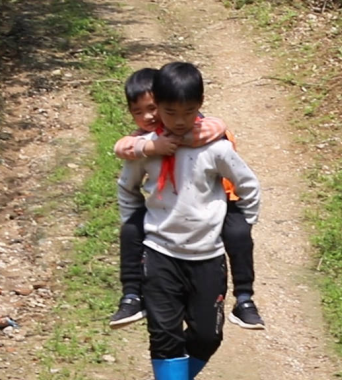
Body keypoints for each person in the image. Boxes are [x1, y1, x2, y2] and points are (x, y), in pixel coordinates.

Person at [117, 62, 260, 380]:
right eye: (169, 112)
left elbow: (247, 183)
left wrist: (243, 222)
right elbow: (127, 187)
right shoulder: (148, 148)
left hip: (208, 256)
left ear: (200, 106)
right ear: (155, 107)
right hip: (159, 253)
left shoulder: (215, 147)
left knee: (208, 335)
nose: (179, 121)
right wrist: (133, 224)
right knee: (164, 334)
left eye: (187, 112)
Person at [108, 68, 265, 331]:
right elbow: (121, 149)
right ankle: (131, 296)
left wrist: (248, 216)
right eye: (138, 111)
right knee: (130, 231)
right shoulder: (146, 141)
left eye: (151, 109)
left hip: (224, 203)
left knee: (239, 234)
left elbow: (219, 128)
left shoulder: (208, 133)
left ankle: (245, 299)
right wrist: (150, 147)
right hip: (163, 240)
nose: (148, 117)